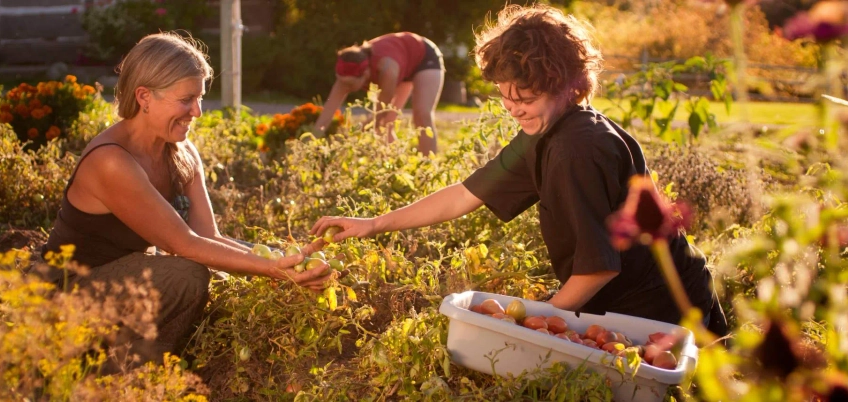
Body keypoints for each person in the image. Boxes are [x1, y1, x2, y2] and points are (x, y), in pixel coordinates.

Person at [310, 5, 727, 335]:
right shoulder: (549, 129)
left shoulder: (576, 148)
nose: (512, 107)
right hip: (629, 300)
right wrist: (373, 223)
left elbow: (598, 266)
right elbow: (465, 193)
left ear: (568, 83)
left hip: (664, 308)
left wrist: (536, 322)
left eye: (524, 96)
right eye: (505, 95)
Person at [40, 32, 331, 371]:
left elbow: (210, 236)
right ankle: (113, 375)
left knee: (217, 275)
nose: (198, 111)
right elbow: (184, 245)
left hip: (126, 283)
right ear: (144, 96)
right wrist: (270, 270)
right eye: (186, 99)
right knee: (188, 276)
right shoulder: (112, 161)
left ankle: (142, 366)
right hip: (67, 296)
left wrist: (285, 259)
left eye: (201, 97)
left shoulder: (181, 152)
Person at [313, 32, 445, 156]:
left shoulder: (386, 68)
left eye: (350, 84)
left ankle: (428, 165)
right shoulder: (347, 71)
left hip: (424, 56)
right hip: (402, 62)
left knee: (422, 114)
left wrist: (349, 138)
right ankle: (393, 166)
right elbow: (326, 114)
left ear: (365, 74)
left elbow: (380, 114)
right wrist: (311, 143)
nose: (345, 87)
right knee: (387, 125)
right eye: (343, 83)